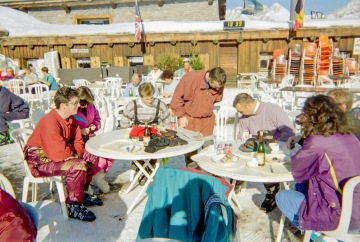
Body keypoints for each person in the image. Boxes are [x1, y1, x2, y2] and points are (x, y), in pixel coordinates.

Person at [276, 95, 360, 232]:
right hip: (355, 206)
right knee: (301, 186)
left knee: (282, 197)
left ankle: (314, 233)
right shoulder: (349, 135)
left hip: (341, 215)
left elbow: (298, 171)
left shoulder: (317, 141)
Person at [24, 87, 103, 222]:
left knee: (90, 156)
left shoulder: (71, 119)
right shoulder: (51, 121)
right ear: (63, 105)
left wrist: (76, 154)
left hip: (58, 153)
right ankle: (73, 206)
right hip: (40, 162)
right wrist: (73, 155)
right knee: (78, 166)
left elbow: (78, 139)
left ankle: (80, 193)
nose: (79, 105)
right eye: (75, 103)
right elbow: (58, 152)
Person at [233, 93, 295, 212]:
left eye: (241, 111)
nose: (241, 114)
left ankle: (273, 191)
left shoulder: (272, 110)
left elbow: (289, 131)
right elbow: (241, 138)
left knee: (264, 163)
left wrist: (274, 144)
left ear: (249, 105)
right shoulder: (245, 118)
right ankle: (236, 183)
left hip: (277, 148)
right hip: (258, 148)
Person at [170, 67, 226, 166]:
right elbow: (176, 99)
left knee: (210, 152)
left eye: (220, 87)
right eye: (216, 86)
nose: (218, 89)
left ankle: (212, 177)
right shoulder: (190, 79)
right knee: (191, 155)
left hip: (206, 121)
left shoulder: (219, 82)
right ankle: (194, 175)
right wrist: (181, 115)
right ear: (209, 79)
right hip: (189, 120)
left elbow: (217, 99)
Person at [121, 82, 170, 184]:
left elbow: (167, 120)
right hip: (138, 135)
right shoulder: (133, 105)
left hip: (154, 135)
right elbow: (124, 121)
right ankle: (141, 170)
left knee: (156, 148)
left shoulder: (159, 104)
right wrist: (129, 131)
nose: (150, 101)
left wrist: (163, 129)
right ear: (141, 96)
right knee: (138, 150)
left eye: (151, 98)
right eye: (147, 99)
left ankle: (152, 169)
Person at [74, 86, 114, 193]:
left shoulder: (90, 107)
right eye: (83, 104)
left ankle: (97, 175)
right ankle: (88, 180)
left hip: (91, 137)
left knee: (110, 150)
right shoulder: (72, 109)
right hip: (78, 141)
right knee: (91, 155)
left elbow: (97, 119)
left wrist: (94, 126)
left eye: (88, 104)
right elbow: (68, 127)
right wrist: (80, 131)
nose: (86, 106)